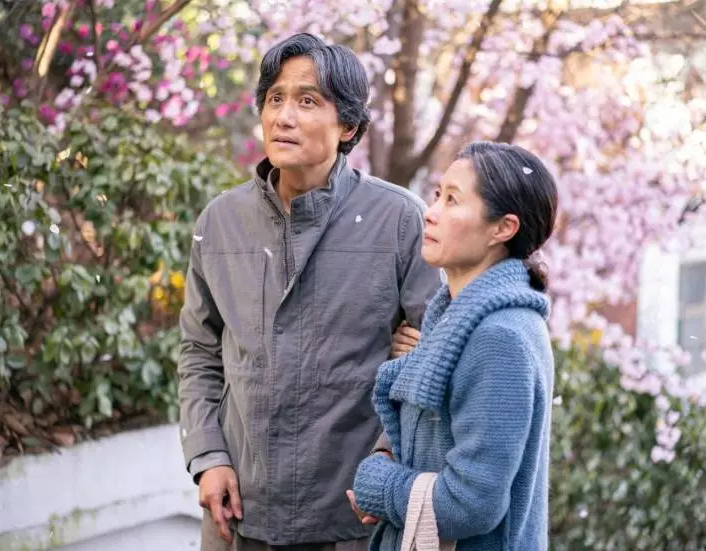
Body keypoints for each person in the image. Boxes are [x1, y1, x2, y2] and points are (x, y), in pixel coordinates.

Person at [177, 33, 442, 551]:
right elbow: (199, 352)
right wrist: (208, 458)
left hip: (352, 518)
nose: (284, 117)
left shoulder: (399, 220)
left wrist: (387, 460)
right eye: (275, 98)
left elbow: (437, 357)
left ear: (348, 126)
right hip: (239, 513)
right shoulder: (221, 221)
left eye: (307, 101)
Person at [348, 141, 558, 551]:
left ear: (503, 228)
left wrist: (380, 486)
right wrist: (385, 455)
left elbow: (471, 504)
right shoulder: (458, 316)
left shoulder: (500, 337)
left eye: (453, 200)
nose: (431, 212)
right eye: (437, 195)